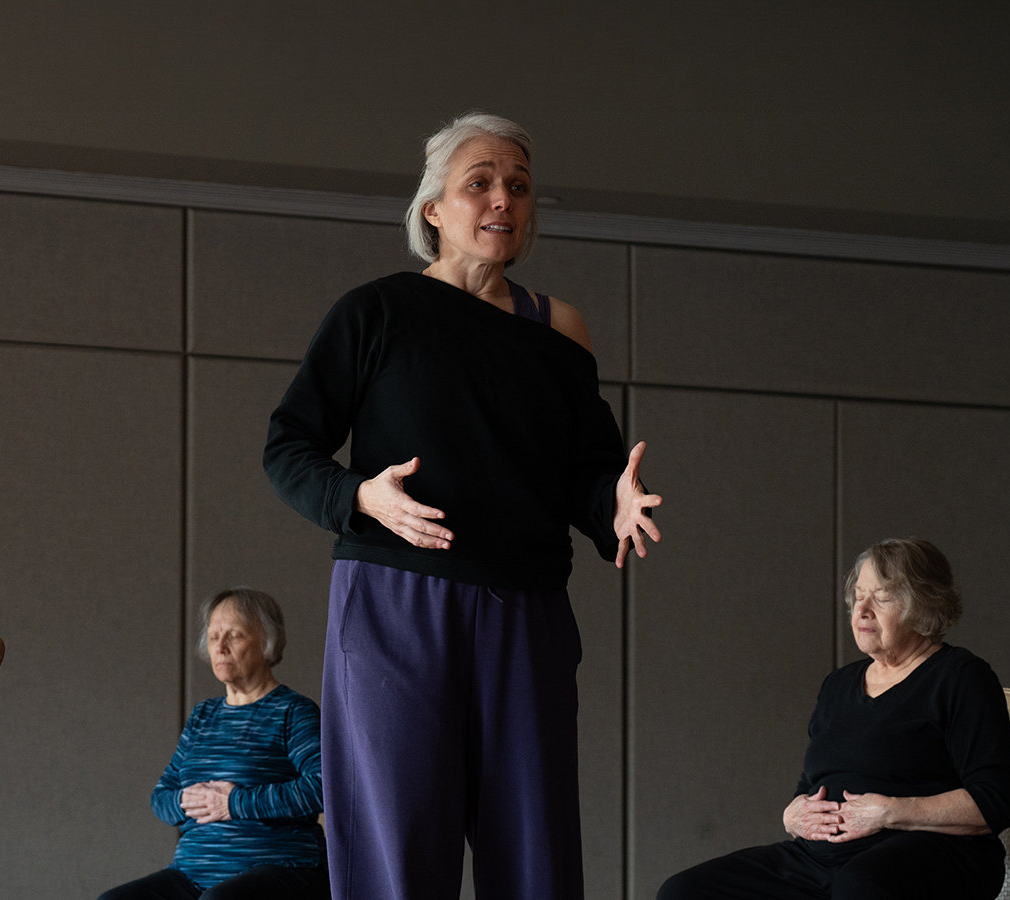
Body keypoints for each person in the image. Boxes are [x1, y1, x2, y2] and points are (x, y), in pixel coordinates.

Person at [263, 111, 664, 900]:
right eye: (478, 182)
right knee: (398, 855)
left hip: (529, 613)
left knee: (536, 858)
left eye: (517, 185)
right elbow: (288, 448)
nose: (502, 200)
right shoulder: (375, 312)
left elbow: (587, 471)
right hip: (394, 605)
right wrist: (359, 496)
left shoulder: (562, 329)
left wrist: (612, 505)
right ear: (433, 211)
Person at [658, 538, 1010, 900]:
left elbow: (995, 801)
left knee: (859, 884)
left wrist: (890, 812)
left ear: (924, 605)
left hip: (934, 854)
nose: (861, 610)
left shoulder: (961, 677)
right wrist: (793, 814)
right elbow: (815, 780)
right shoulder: (838, 685)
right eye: (858, 596)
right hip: (822, 860)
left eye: (881, 597)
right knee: (683, 892)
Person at [100, 588, 327, 900]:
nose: (220, 647)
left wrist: (234, 803)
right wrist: (185, 801)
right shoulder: (203, 715)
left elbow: (323, 787)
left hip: (279, 865)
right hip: (192, 873)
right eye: (213, 635)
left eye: (234, 635)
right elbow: (161, 798)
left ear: (266, 641)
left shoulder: (292, 711)